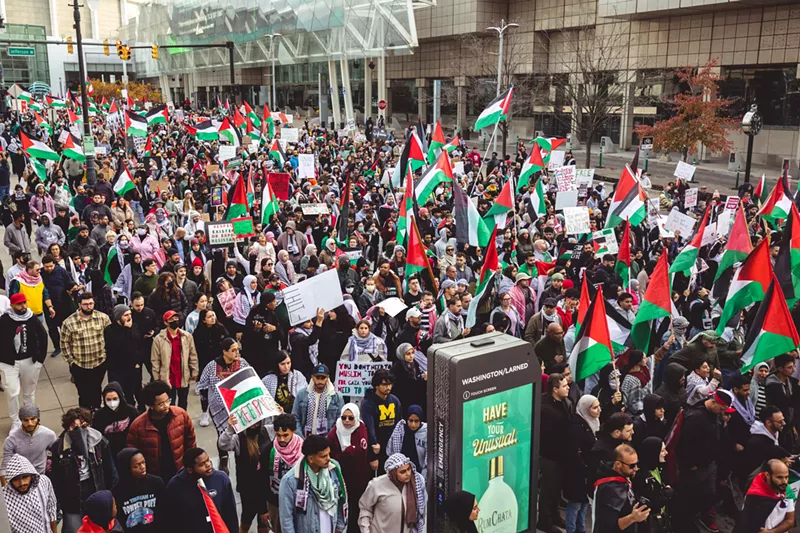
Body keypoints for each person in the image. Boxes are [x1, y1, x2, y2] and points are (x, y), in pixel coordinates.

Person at [47, 408, 118, 533]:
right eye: (74, 426)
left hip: (95, 488)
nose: (79, 430)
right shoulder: (59, 448)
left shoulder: (99, 442)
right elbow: (55, 478)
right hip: (72, 497)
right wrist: (58, 503)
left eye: (83, 424)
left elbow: (110, 470)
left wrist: (110, 494)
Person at [675, 391, 735, 532]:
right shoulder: (696, 417)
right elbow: (685, 444)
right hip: (696, 466)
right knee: (694, 493)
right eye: (721, 408)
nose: (722, 412)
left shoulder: (713, 414)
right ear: (714, 402)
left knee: (709, 491)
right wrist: (691, 465)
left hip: (709, 462)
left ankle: (705, 512)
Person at [197, 337, 252, 473]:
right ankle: (223, 460)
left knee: (240, 434)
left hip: (238, 405)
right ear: (224, 352)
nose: (236, 353)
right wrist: (206, 405)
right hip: (219, 409)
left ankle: (241, 459)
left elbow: (250, 379)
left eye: (237, 350)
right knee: (223, 434)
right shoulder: (212, 366)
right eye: (233, 350)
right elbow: (202, 385)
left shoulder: (242, 363)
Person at [126, 380, 197, 483]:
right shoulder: (138, 426)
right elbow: (132, 453)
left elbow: (191, 442)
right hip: (155, 477)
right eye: (161, 404)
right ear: (151, 405)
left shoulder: (181, 415)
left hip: (180, 472)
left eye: (168, 401)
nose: (166, 406)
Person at [278, 434, 348, 533]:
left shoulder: (334, 469)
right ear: (310, 459)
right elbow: (286, 519)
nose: (328, 459)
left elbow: (342, 499)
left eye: (329, 454)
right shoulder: (290, 480)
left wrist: (339, 527)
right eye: (323, 456)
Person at [0, 293, 48, 427]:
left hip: (30, 361)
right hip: (9, 363)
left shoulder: (31, 317)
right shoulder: (4, 320)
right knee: (12, 392)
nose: (23, 306)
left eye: (24, 303)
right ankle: (15, 421)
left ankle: (30, 418)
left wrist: (40, 360)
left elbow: (43, 336)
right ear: (12, 305)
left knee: (29, 393)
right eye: (19, 304)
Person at [163, 447, 238, 533]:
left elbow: (230, 513)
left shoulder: (221, 479)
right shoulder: (174, 486)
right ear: (190, 470)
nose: (208, 465)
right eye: (202, 464)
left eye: (208, 460)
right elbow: (171, 519)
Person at [218, 414, 272, 533]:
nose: (254, 425)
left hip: (265, 486)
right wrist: (230, 429)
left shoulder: (267, 431)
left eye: (257, 422)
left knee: (264, 523)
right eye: (251, 423)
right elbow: (223, 444)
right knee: (247, 519)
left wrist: (280, 414)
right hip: (248, 489)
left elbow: (283, 428)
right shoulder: (239, 438)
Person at [327, 403, 370, 533]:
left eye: (351, 418)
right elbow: (331, 456)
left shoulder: (360, 427)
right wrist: (350, 451)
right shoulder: (335, 432)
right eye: (344, 417)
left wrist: (346, 454)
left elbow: (362, 450)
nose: (346, 421)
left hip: (359, 476)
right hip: (341, 477)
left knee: (356, 508)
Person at [259, 413, 305, 533]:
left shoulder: (304, 449)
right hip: (275, 503)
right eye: (278, 435)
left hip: (298, 502)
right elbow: (261, 481)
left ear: (293, 431)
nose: (282, 439)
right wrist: (263, 510)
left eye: (285, 435)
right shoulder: (268, 451)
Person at [358, 452, 427, 533]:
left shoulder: (414, 485)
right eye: (403, 472)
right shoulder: (376, 485)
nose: (407, 474)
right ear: (393, 473)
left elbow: (422, 512)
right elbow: (365, 510)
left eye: (409, 469)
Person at [592, 444, 651, 533]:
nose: (636, 468)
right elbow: (608, 527)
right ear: (618, 464)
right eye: (632, 465)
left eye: (637, 464)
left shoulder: (623, 475)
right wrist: (632, 518)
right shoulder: (609, 489)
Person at [539, 373, 571, 533]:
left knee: (557, 488)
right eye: (564, 386)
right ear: (555, 389)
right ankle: (544, 521)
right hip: (549, 455)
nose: (568, 388)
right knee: (548, 489)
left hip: (561, 454)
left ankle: (555, 516)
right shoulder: (545, 407)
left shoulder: (564, 402)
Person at [564, 395, 600, 533]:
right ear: (586, 409)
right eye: (595, 407)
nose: (598, 410)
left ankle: (581, 529)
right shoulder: (577, 426)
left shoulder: (592, 422)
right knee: (575, 504)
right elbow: (573, 451)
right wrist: (583, 466)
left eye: (598, 406)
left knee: (585, 503)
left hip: (588, 470)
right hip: (577, 472)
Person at [150, 310, 199, 410]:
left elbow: (192, 355)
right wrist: (156, 378)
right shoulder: (159, 339)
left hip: (183, 375)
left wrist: (194, 371)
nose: (175, 321)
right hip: (168, 377)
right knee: (169, 405)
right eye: (171, 319)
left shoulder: (187, 337)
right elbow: (155, 361)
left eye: (176, 318)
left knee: (183, 403)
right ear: (165, 322)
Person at [112, 448, 166, 533]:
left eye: (143, 462)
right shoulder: (118, 491)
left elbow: (165, 510)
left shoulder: (156, 482)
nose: (143, 467)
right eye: (136, 466)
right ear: (126, 469)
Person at [734, 459, 795, 533]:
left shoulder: (787, 489)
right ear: (767, 475)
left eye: (786, 477)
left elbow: (790, 521)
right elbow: (745, 523)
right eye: (779, 477)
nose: (784, 481)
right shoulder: (754, 495)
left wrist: (772, 532)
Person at [2, 454, 58, 533]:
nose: (22, 483)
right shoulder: (3, 498)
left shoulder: (43, 482)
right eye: (16, 479)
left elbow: (51, 509)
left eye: (25, 477)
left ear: (32, 475)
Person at [1, 405, 57, 484]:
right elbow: (5, 465)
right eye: (25, 420)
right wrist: (4, 489)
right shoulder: (11, 439)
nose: (29, 423)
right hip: (21, 480)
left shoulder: (49, 435)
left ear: (38, 418)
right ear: (21, 420)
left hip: (41, 477)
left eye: (32, 419)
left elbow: (56, 455)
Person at [361, 368, 403, 474]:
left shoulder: (395, 400)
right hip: (376, 449)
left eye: (390, 384)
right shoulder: (368, 403)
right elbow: (369, 430)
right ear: (376, 385)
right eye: (384, 384)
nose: (388, 387)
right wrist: (373, 457)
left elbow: (398, 426)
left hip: (392, 449)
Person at [105, 304, 144, 405]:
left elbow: (138, 344)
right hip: (117, 368)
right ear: (118, 317)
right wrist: (126, 329)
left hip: (133, 366)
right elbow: (117, 346)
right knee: (120, 393)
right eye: (125, 315)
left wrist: (138, 362)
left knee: (136, 390)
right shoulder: (109, 330)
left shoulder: (134, 326)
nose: (129, 317)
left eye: (130, 314)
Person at [632, 437, 673, 533]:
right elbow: (648, 504)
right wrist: (667, 493)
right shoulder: (640, 476)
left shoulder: (658, 467)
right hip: (650, 524)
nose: (666, 453)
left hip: (663, 518)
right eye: (662, 450)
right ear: (653, 453)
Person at [292, 363, 345, 438]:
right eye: (317, 377)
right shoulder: (302, 394)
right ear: (312, 377)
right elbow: (295, 417)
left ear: (327, 378)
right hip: (305, 439)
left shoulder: (336, 396)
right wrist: (301, 438)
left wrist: (328, 439)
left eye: (323, 378)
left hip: (327, 441)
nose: (320, 381)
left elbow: (339, 420)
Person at [92, 382, 141, 459]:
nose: (112, 402)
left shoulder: (132, 412)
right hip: (109, 454)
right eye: (108, 399)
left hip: (129, 451)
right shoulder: (99, 415)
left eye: (115, 399)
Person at [386, 405, 427, 480]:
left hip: (420, 473)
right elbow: (391, 452)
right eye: (410, 420)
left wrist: (423, 478)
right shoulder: (400, 429)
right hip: (401, 471)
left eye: (416, 421)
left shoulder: (426, 432)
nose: (413, 424)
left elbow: (428, 460)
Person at [262, 350, 308, 415]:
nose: (286, 367)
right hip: (275, 417)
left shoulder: (298, 376)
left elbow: (305, 396)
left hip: (295, 416)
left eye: (288, 363)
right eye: (282, 364)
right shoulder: (268, 379)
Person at [391, 343, 427, 416]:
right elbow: (407, 385)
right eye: (408, 354)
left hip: (415, 398)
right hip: (403, 400)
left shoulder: (414, 364)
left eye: (412, 353)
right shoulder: (398, 368)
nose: (411, 356)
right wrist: (423, 380)